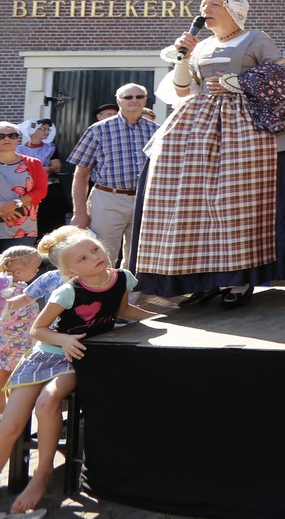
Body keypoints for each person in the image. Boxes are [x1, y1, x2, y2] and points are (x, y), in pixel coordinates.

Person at [133, 0, 285, 310]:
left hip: (246, 129)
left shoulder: (255, 39)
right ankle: (206, 277)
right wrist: (183, 57)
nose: (205, 9)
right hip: (199, 127)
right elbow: (183, 90)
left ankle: (240, 276)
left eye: (214, 4)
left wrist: (238, 82)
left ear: (234, 10)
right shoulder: (200, 45)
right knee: (195, 204)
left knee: (237, 201)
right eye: (203, 4)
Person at [0, 226, 155, 513]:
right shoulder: (67, 292)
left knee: (47, 402)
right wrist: (63, 339)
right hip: (46, 354)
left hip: (77, 358)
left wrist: (163, 319)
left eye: (94, 249)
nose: (94, 257)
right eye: (83, 258)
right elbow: (38, 330)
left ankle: (43, 474)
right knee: (9, 425)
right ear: (70, 272)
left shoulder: (122, 278)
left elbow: (123, 310)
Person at [66, 84, 158, 265]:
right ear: (118, 101)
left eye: (139, 97)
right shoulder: (98, 130)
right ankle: (103, 285)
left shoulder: (157, 131)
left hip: (144, 200)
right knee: (103, 254)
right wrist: (80, 212)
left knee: (139, 256)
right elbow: (81, 174)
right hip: (108, 198)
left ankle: (130, 285)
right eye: (128, 97)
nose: (134, 100)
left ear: (145, 100)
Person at [0, 246, 43, 409]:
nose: (37, 271)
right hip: (10, 344)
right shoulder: (9, 290)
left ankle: (9, 411)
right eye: (35, 268)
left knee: (12, 379)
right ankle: (5, 413)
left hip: (18, 342)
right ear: (18, 272)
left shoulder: (19, 287)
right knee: (6, 379)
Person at [0, 122, 47, 255]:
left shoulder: (33, 163)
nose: (7, 139)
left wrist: (15, 204)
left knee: (17, 266)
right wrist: (2, 208)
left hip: (22, 230)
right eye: (1, 136)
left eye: (12, 135)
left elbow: (41, 191)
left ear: (18, 139)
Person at [17, 120, 65, 238]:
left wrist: (35, 169)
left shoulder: (51, 148)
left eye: (48, 129)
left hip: (49, 190)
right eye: (43, 128)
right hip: (27, 191)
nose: (47, 132)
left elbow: (57, 167)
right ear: (32, 130)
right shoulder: (18, 150)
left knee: (53, 223)